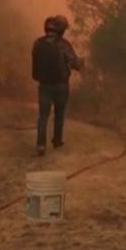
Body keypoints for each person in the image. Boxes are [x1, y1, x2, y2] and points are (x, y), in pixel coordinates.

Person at [32, 15, 83, 157]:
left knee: (43, 116)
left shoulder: (37, 43)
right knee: (59, 114)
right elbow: (75, 64)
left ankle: (41, 145)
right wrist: (82, 64)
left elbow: (35, 68)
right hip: (61, 86)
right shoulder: (64, 45)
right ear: (62, 30)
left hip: (44, 85)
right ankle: (57, 140)